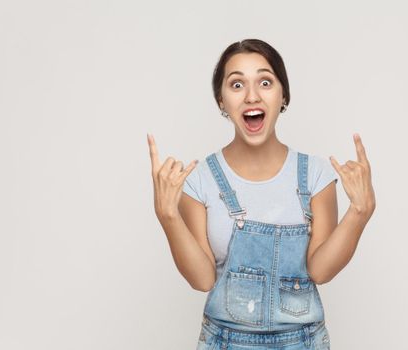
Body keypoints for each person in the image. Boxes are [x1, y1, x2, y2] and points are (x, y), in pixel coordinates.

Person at [147, 38, 376, 350]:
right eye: (237, 84)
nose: (252, 96)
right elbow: (202, 279)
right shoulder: (199, 180)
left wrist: (360, 213)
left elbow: (320, 271)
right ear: (221, 101)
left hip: (303, 342)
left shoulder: (315, 175)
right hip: (223, 342)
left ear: (283, 95)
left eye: (265, 82)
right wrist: (168, 216)